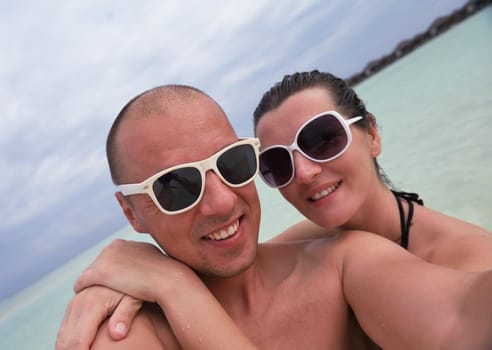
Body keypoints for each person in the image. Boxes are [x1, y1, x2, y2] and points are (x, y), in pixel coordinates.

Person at [56, 83, 492, 350]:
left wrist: (176, 286)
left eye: (233, 163)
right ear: (131, 212)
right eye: (177, 187)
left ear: (372, 134)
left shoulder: (345, 263)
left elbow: (461, 324)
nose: (222, 203)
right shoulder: (123, 328)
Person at [253, 70, 492, 271]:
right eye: (278, 163)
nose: (304, 173)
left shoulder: (469, 262)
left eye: (322, 140)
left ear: (372, 135)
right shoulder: (308, 243)